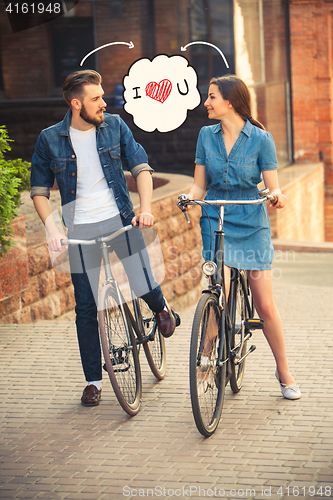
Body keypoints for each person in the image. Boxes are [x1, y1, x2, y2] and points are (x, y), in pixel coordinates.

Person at [30, 69, 178, 407]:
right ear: (76, 103)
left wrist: (144, 209)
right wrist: (52, 229)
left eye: (102, 97)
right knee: (85, 307)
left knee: (142, 281)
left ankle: (160, 308)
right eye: (96, 99)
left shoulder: (114, 126)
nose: (104, 103)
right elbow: (38, 190)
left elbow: (141, 167)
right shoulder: (49, 139)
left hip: (120, 219)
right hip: (80, 231)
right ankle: (94, 381)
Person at [185, 74, 301, 400]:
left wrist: (276, 194)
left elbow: (272, 183)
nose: (206, 102)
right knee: (214, 291)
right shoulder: (205, 136)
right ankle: (206, 361)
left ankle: (284, 370)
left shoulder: (261, 139)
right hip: (216, 217)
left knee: (264, 303)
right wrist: (188, 198)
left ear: (230, 102)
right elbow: (199, 185)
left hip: (251, 220)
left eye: (211, 97)